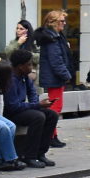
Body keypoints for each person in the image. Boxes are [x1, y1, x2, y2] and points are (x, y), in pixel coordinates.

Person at [2, 49, 59, 167]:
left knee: (52, 115)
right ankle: (29, 156)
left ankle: (40, 153)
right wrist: (37, 106)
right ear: (20, 66)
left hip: (20, 109)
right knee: (38, 117)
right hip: (10, 113)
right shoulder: (10, 80)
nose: (31, 67)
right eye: (29, 64)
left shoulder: (24, 77)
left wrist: (36, 104)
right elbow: (13, 106)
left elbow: (32, 93)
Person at [34, 10, 74, 147]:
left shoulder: (55, 36)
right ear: (54, 23)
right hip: (54, 77)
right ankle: (50, 136)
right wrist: (66, 75)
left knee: (56, 107)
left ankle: (53, 135)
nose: (64, 23)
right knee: (55, 108)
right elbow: (56, 61)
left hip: (54, 76)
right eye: (62, 21)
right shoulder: (52, 39)